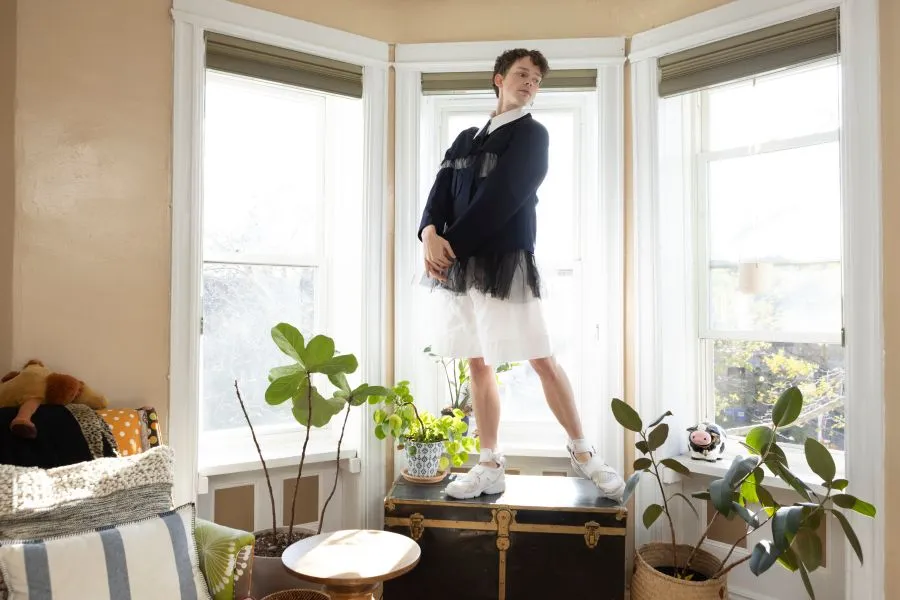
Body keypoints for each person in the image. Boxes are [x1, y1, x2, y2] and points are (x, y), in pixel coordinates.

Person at [417, 48, 626, 501]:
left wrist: (449, 248)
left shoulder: (532, 135)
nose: (530, 84)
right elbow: (437, 196)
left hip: (503, 261)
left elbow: (505, 197)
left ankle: (584, 453)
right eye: (522, 74)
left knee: (541, 358)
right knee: (477, 362)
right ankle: (489, 464)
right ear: (499, 78)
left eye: (536, 80)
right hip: (459, 265)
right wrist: (429, 234)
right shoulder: (464, 140)